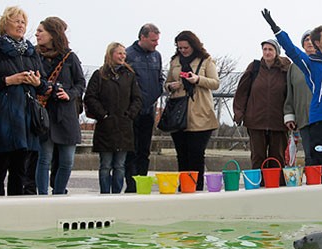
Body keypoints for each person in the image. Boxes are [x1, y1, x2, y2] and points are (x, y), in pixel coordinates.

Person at [261, 9, 322, 184]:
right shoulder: (311, 63)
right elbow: (291, 49)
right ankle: (318, 195)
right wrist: (276, 29)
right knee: (319, 160)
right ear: (317, 43)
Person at [0, 6, 47, 196]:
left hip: (27, 122)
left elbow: (44, 85)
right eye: (16, 21)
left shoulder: (32, 53)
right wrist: (7, 81)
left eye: (23, 22)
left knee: (21, 175)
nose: (20, 25)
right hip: (1, 122)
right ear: (5, 24)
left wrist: (38, 82)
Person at [34, 16, 85, 195]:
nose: (36, 34)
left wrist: (69, 94)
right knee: (44, 159)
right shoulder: (35, 55)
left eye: (41, 31)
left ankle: (58, 194)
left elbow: (80, 83)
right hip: (45, 114)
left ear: (52, 34)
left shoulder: (70, 57)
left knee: (67, 161)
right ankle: (42, 196)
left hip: (66, 115)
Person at [165, 31, 220, 191]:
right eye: (179, 47)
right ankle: (185, 188)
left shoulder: (206, 60)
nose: (182, 50)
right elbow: (167, 82)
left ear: (193, 45)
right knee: (182, 155)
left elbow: (215, 83)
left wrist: (198, 79)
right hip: (178, 114)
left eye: (185, 47)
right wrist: (170, 86)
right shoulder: (175, 61)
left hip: (200, 114)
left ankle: (196, 189)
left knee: (196, 154)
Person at [84, 42, 141, 194]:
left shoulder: (129, 75)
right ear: (111, 54)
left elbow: (137, 98)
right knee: (105, 165)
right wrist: (102, 114)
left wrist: (130, 114)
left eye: (124, 53)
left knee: (120, 165)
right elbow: (90, 97)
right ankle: (104, 194)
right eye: (119, 53)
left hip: (124, 126)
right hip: (106, 126)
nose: (123, 56)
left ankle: (117, 194)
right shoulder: (100, 74)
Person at [233, 39, 291, 185]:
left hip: (279, 120)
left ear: (276, 51)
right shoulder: (255, 68)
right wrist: (239, 112)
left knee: (277, 157)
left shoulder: (286, 69)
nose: (267, 52)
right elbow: (242, 91)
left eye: (270, 49)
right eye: (264, 49)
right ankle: (257, 184)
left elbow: (292, 92)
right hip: (255, 120)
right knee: (257, 156)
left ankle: (275, 185)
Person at [124, 23, 164, 193]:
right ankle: (131, 186)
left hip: (149, 109)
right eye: (153, 40)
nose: (156, 44)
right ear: (143, 37)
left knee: (144, 150)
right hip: (133, 110)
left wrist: (159, 89)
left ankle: (143, 183)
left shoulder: (157, 56)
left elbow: (160, 76)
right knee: (131, 150)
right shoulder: (129, 54)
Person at [283, 30, 315, 166]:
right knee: (310, 154)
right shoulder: (294, 67)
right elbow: (290, 93)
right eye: (306, 40)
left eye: (312, 39)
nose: (309, 42)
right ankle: (314, 184)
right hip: (305, 118)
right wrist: (290, 115)